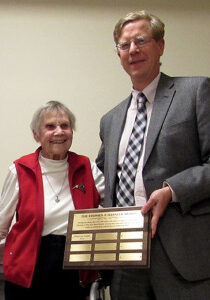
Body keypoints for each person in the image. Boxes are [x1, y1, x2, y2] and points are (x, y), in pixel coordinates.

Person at [96, 10, 210, 300]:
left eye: (141, 40)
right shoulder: (110, 120)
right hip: (124, 259)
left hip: (182, 257)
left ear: (160, 46)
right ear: (118, 54)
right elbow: (105, 180)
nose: (133, 50)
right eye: (125, 44)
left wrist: (172, 190)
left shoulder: (196, 91)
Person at [0, 100, 105, 300]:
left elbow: (115, 208)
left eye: (65, 125)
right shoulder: (20, 170)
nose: (59, 132)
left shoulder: (87, 168)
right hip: (28, 270)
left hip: (75, 269)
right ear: (36, 134)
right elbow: (1, 225)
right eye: (50, 126)